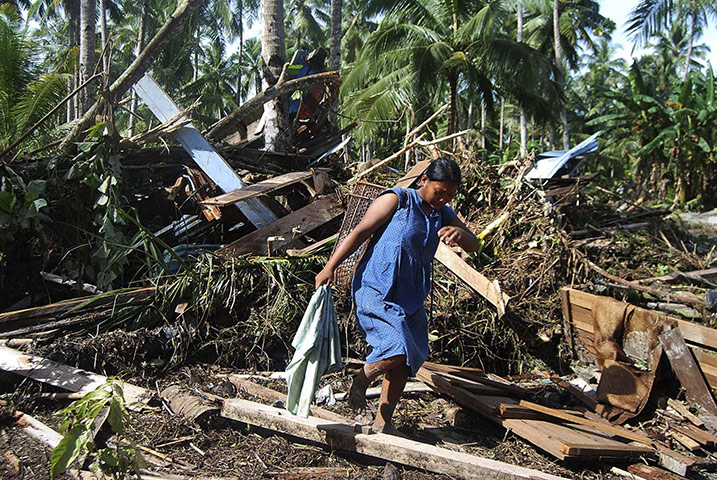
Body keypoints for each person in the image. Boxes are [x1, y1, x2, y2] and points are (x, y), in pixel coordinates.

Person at [315, 157, 480, 435]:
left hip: (413, 294)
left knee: (406, 361)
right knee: (398, 348)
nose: (443, 198)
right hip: (377, 286)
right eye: (439, 191)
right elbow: (360, 231)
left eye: (450, 194)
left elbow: (474, 245)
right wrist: (331, 266)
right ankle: (363, 377)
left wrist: (460, 233)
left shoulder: (444, 213)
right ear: (424, 180)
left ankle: (383, 424)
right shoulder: (398, 199)